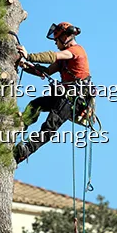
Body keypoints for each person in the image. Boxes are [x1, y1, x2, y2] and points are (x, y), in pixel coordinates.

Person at [14, 21, 91, 163]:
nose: (56, 43)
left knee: (50, 125)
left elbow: (52, 56)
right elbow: (47, 71)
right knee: (35, 105)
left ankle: (26, 151)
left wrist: (28, 55)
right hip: (64, 96)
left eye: (57, 40)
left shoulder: (75, 51)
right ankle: (19, 126)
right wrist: (26, 66)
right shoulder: (64, 59)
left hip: (74, 99)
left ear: (65, 38)